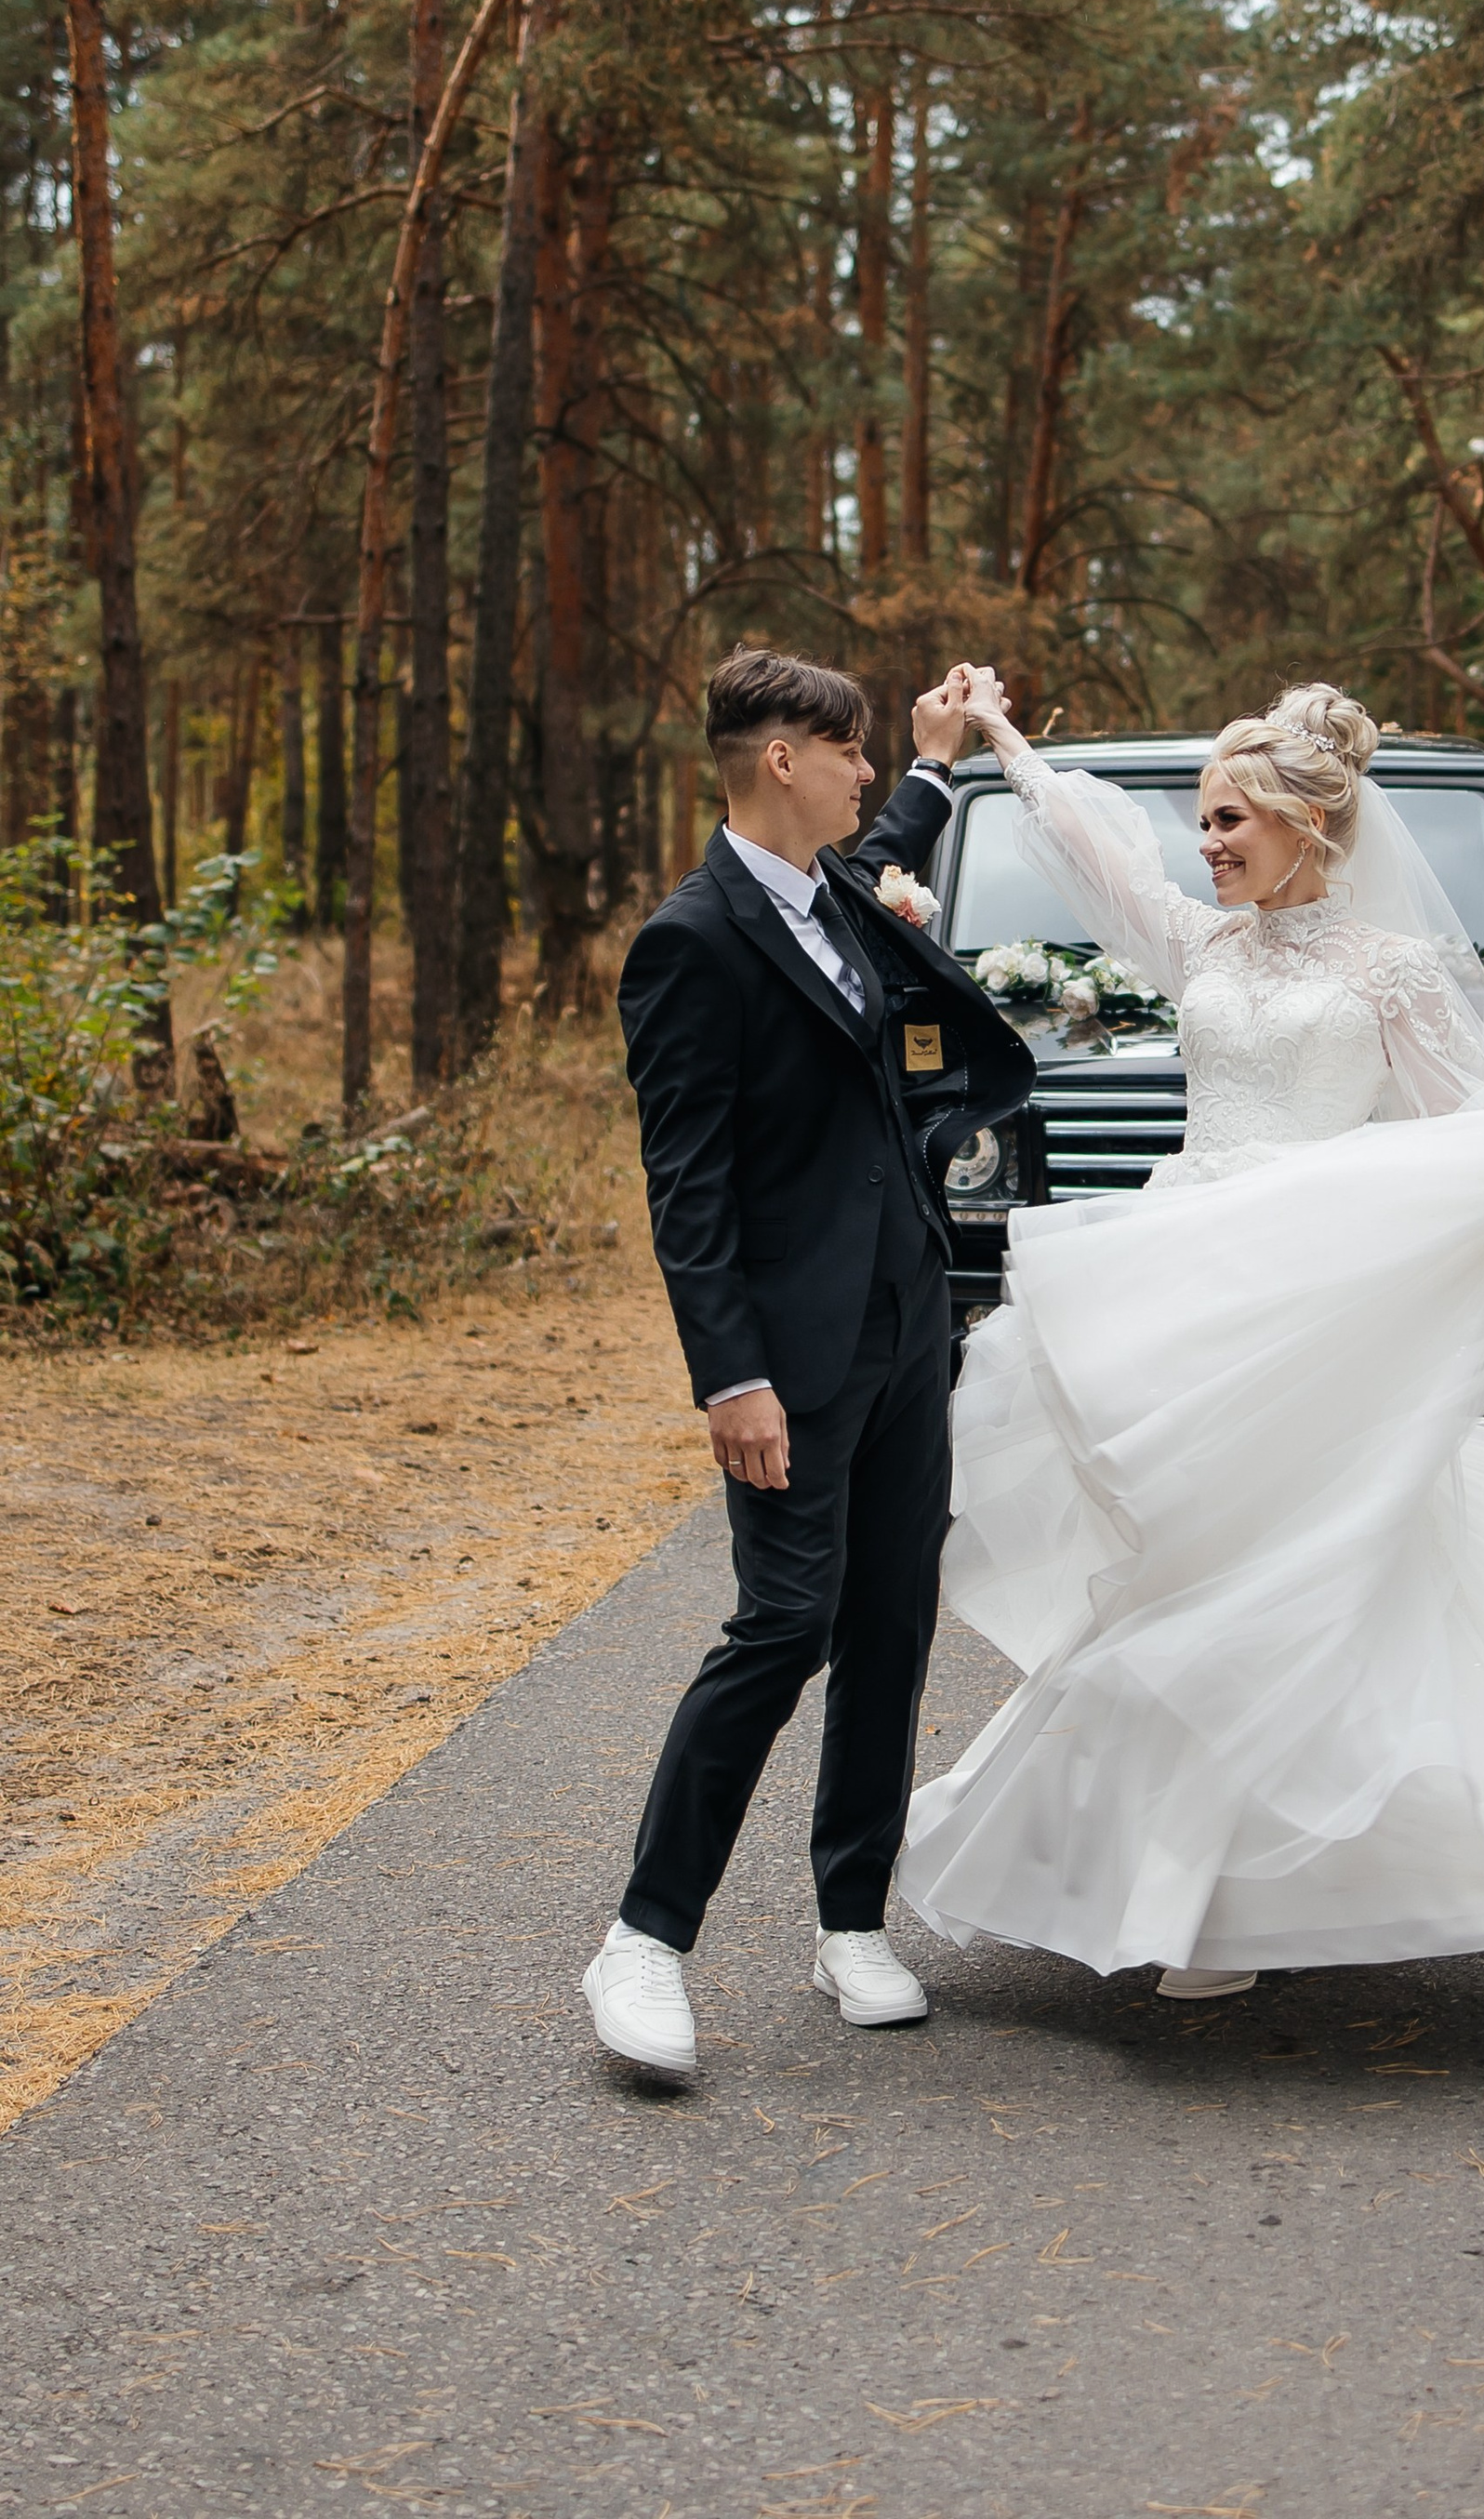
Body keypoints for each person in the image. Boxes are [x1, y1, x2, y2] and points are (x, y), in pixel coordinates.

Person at [898, 672, 1484, 1997]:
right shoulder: (1202, 946)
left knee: (1300, 1572)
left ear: (1307, 826)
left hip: (1313, 1311)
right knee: (1189, 1572)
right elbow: (1097, 858)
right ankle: (1194, 1886)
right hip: (1191, 1298)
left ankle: (1257, 1884)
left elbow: (1482, 1120)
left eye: (1231, 821)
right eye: (1206, 823)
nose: (1208, 844)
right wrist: (1002, 742)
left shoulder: (1393, 970)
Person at [582, 648, 1033, 2078]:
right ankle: (646, 1939)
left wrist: (937, 755)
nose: (863, 779)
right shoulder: (693, 941)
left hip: (909, 1323)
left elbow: (896, 842)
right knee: (784, 1625)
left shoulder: (839, 886)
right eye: (848, 754)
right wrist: (732, 1380)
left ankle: (853, 1921)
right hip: (788, 1356)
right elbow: (689, 1188)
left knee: (892, 1624)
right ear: (784, 760)